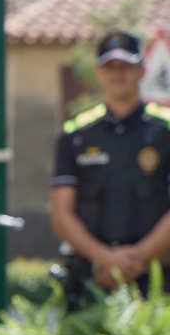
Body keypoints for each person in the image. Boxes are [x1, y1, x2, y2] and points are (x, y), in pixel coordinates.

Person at [51, 30, 170, 307]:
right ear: (98, 73)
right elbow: (61, 215)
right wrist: (106, 259)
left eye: (126, 66)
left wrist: (136, 260)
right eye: (110, 67)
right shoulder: (75, 134)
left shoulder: (165, 129)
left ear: (142, 70)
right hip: (91, 279)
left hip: (158, 278)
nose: (118, 74)